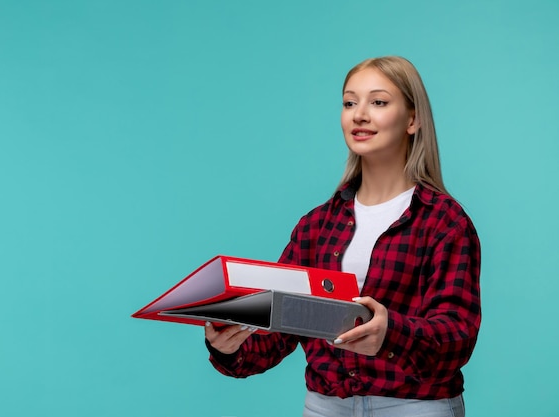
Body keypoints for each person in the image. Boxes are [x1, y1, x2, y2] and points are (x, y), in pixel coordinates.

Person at [204, 56, 481, 417]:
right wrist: (228, 347)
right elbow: (280, 328)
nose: (359, 114)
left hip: (414, 408)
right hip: (325, 408)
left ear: (413, 119)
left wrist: (390, 334)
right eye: (350, 102)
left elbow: (457, 336)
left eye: (378, 102)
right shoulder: (317, 225)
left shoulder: (444, 221)